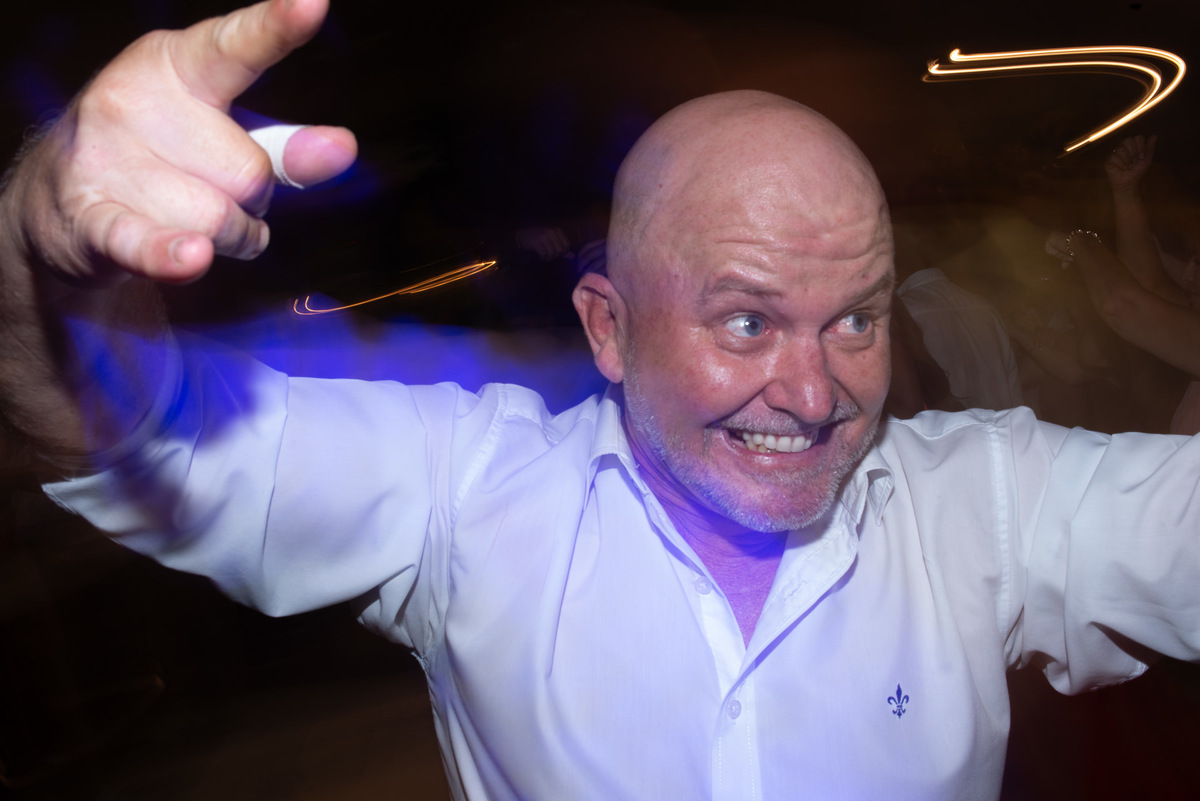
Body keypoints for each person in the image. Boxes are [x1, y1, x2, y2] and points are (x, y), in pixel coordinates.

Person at [3, 2, 1200, 799]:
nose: (814, 390)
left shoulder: (985, 504)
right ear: (608, 329)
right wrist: (35, 249)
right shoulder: (471, 493)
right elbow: (115, 431)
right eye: (747, 321)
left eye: (856, 318)